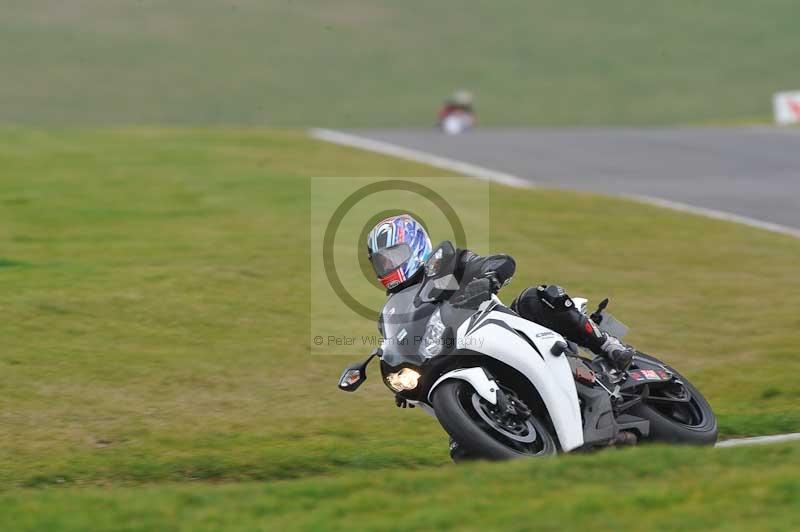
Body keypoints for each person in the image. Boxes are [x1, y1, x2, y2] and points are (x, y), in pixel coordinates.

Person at [366, 213, 635, 371]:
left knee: (537, 298)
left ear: (414, 245)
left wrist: (487, 278)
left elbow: (500, 261)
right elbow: (398, 341)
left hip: (502, 330)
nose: (388, 266)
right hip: (456, 355)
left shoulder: (444, 264)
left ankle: (608, 346)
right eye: (382, 262)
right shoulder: (392, 310)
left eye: (393, 256)